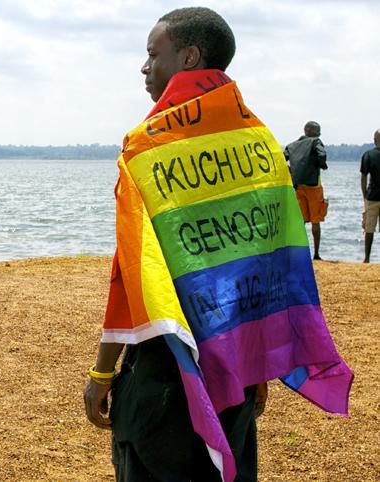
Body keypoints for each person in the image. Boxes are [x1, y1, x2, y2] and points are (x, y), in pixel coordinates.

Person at [84, 7, 352, 482]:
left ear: (188, 56)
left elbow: (129, 275)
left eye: (153, 54)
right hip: (235, 370)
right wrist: (260, 365)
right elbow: (269, 267)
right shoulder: (262, 145)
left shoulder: (147, 149)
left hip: (165, 370)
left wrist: (103, 373)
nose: (144, 68)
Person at [284, 121, 328, 260]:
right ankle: (316, 254)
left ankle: (298, 253)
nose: (319, 133)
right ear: (310, 131)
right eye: (318, 131)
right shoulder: (316, 141)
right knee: (316, 221)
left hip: (298, 187)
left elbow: (281, 159)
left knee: (301, 221)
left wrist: (290, 172)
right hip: (314, 187)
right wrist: (323, 165)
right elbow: (321, 155)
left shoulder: (292, 145)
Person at [360, 129, 380, 263]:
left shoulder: (368, 155)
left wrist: (364, 195)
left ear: (375, 140)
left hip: (372, 195)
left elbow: (363, 178)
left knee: (369, 229)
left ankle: (366, 258)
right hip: (373, 195)